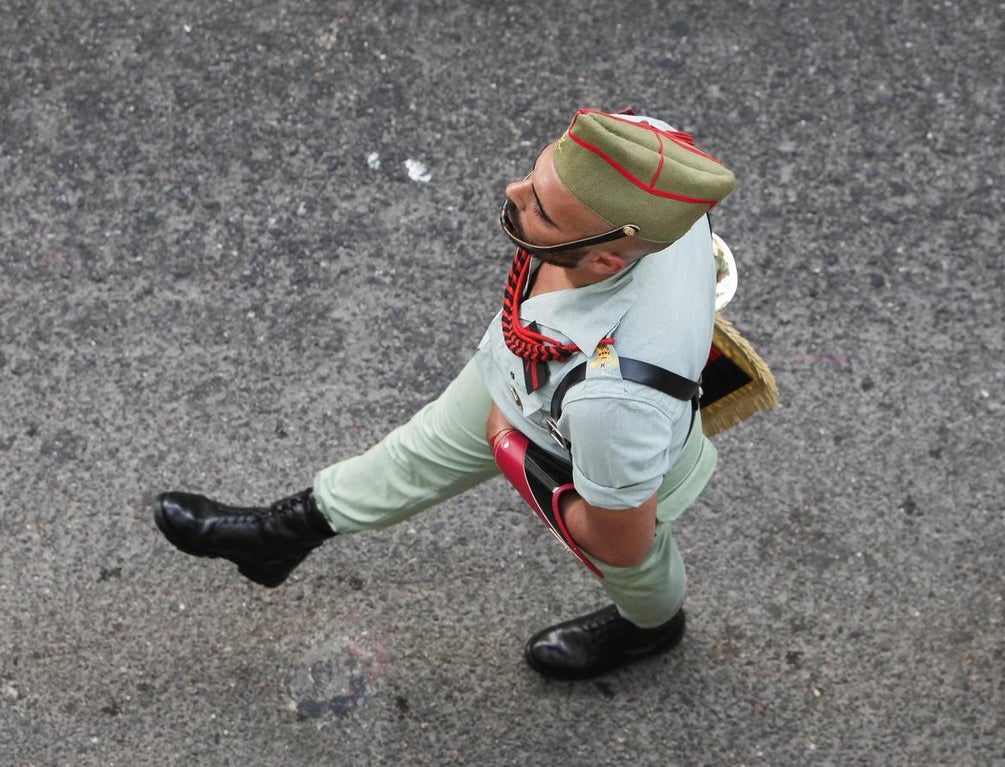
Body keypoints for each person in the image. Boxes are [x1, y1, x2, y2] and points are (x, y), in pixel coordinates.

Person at [153, 108, 738, 680]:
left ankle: (653, 628)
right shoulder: (645, 166)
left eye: (543, 211)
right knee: (417, 450)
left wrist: (510, 449)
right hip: (537, 364)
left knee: (635, 569)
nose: (515, 192)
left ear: (607, 257)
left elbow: (621, 540)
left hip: (577, 428)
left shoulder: (614, 406)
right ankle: (280, 536)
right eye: (535, 177)